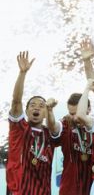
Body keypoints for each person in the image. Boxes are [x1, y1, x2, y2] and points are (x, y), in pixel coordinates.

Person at [7, 51, 54, 195]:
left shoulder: (51, 135)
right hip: (18, 191)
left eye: (41, 106)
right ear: (26, 111)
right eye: (32, 105)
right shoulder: (19, 128)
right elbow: (16, 102)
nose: (37, 108)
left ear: (46, 113)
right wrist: (22, 73)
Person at [46, 93, 94, 195]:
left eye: (78, 113)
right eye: (72, 114)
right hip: (70, 188)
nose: (75, 118)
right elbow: (53, 127)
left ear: (89, 109)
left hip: (93, 187)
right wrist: (49, 111)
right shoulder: (66, 124)